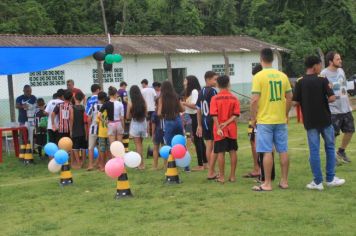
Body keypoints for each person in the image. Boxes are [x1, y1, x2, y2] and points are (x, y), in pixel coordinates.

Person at [293, 55, 345, 190]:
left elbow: (295, 102)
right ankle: (330, 178)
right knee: (330, 148)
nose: (321, 67)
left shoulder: (300, 82)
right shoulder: (322, 79)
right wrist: (322, 101)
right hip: (325, 120)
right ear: (315, 66)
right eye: (320, 65)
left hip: (310, 122)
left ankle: (317, 182)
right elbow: (332, 98)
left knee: (314, 151)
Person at [250, 48, 292, 191]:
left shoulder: (258, 76)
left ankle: (267, 183)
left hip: (265, 120)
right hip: (280, 119)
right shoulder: (283, 76)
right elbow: (290, 97)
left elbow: (254, 100)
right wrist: (285, 114)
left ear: (261, 59)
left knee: (267, 151)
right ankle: (284, 181)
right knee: (283, 150)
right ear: (273, 59)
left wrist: (253, 118)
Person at [321, 52, 354, 164]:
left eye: (340, 58)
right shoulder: (324, 73)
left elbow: (343, 87)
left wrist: (349, 104)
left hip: (346, 108)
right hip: (333, 109)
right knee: (332, 135)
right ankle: (332, 156)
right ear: (331, 61)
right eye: (338, 59)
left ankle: (341, 151)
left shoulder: (341, 71)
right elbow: (322, 91)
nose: (340, 61)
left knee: (350, 130)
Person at [210, 75, 240, 183]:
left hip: (219, 129)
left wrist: (219, 126)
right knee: (232, 151)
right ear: (228, 84)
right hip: (231, 128)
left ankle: (222, 177)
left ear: (217, 84)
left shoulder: (214, 98)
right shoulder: (234, 98)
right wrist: (227, 123)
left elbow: (214, 114)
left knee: (220, 152)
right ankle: (232, 176)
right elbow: (236, 114)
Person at [182, 75, 207, 171]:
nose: (184, 82)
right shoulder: (189, 92)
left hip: (195, 117)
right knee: (198, 141)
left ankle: (201, 164)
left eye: (185, 80)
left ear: (190, 82)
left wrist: (184, 103)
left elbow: (195, 106)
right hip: (190, 116)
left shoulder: (195, 91)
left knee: (198, 140)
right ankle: (205, 163)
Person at [196, 71, 218, 179]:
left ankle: (211, 168)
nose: (216, 81)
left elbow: (198, 109)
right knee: (214, 146)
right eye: (214, 79)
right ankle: (212, 170)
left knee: (209, 145)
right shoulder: (213, 91)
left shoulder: (201, 91)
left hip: (204, 121)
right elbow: (216, 106)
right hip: (212, 121)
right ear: (208, 80)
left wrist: (199, 124)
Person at [245, 64, 263, 179]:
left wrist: (252, 119)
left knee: (255, 143)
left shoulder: (259, 82)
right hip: (257, 119)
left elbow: (254, 102)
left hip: (257, 119)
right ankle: (257, 168)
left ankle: (258, 169)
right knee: (252, 141)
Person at [157, 81, 185, 146]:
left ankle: (172, 155)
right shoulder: (176, 96)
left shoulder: (161, 98)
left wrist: (163, 115)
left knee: (170, 143)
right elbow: (183, 109)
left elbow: (159, 113)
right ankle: (181, 154)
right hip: (178, 120)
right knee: (180, 141)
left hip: (168, 120)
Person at [126, 85, 147, 170]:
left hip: (135, 123)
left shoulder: (130, 103)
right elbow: (146, 113)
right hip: (143, 123)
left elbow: (127, 116)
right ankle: (142, 164)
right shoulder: (143, 102)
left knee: (138, 145)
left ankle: (140, 164)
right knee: (140, 144)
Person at [70, 92, 87, 169]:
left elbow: (71, 119)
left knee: (75, 148)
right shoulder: (84, 108)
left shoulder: (72, 108)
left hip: (75, 130)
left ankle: (79, 163)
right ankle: (83, 162)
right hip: (83, 130)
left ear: (75, 98)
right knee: (83, 147)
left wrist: (70, 130)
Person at [86, 84, 101, 169]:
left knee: (91, 147)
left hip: (93, 126)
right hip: (102, 127)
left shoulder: (89, 101)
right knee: (101, 146)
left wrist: (88, 127)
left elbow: (88, 116)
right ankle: (100, 163)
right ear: (98, 90)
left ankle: (90, 165)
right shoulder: (101, 99)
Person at [151, 99, 166, 170]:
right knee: (164, 149)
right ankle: (165, 165)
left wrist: (152, 134)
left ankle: (155, 166)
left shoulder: (154, 113)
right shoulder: (165, 112)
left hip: (157, 132)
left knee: (155, 149)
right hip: (165, 132)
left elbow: (153, 125)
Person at [96, 92, 109, 171]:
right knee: (110, 150)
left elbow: (97, 121)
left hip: (101, 132)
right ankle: (110, 165)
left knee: (102, 150)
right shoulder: (110, 107)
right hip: (109, 132)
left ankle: (102, 166)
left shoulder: (100, 109)